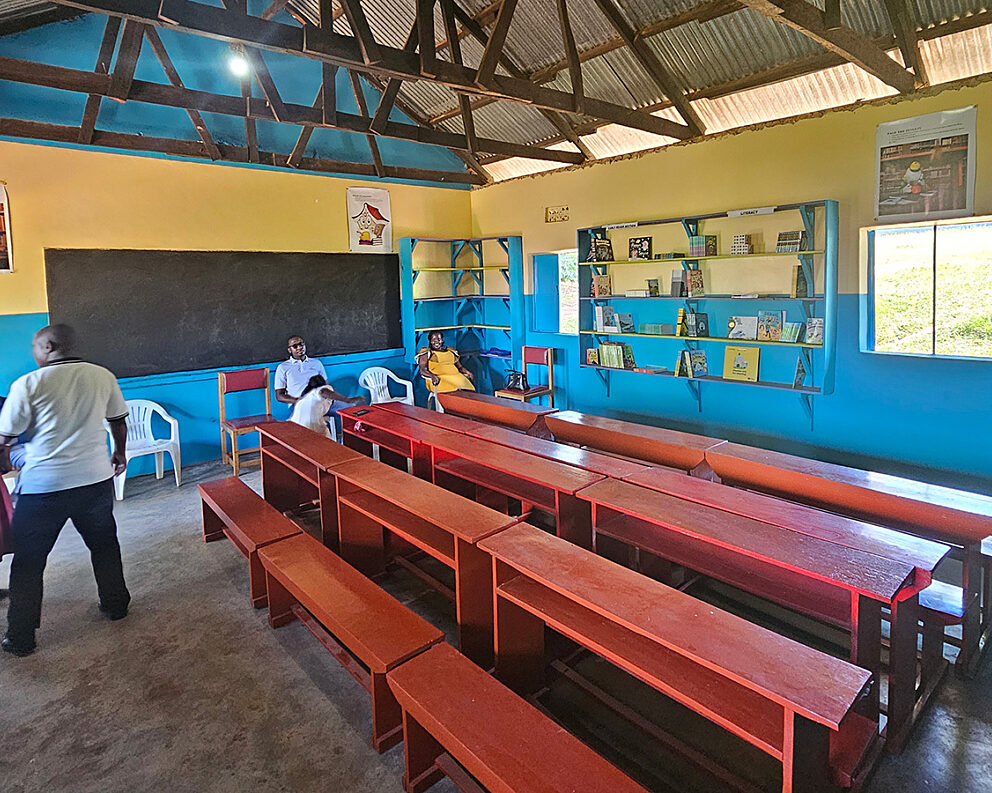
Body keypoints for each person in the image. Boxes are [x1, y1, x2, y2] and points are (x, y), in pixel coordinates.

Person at [0, 324, 130, 657]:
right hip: (94, 480)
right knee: (104, 545)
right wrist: (119, 451)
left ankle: (20, 636)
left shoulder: (28, 383)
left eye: (34, 346)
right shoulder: (102, 376)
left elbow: (5, 436)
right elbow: (118, 419)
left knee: (28, 561)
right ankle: (116, 605)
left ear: (48, 347)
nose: (33, 352)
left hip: (44, 487)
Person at [289, 375, 363, 438]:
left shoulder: (304, 397)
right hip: (310, 430)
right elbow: (324, 392)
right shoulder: (323, 389)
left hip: (294, 429)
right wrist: (347, 400)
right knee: (326, 435)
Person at [274, 335, 328, 406]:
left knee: (340, 409)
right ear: (289, 350)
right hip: (298, 404)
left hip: (318, 401)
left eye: (301, 344)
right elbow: (279, 396)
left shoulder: (316, 363)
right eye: (295, 346)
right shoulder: (283, 367)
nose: (299, 347)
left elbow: (326, 385)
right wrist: (300, 401)